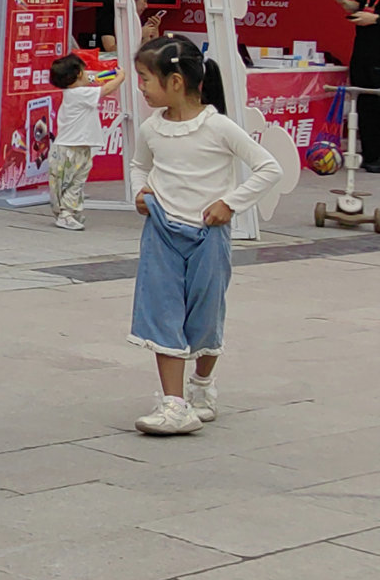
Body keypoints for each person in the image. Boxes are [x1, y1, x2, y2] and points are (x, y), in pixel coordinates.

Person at [128, 35, 282, 435]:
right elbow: (139, 166)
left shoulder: (219, 127)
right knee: (161, 312)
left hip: (208, 236)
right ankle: (173, 404)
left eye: (145, 78)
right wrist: (140, 193)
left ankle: (202, 385)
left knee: (206, 314)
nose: (140, 86)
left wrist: (230, 203)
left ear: (176, 82)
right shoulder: (151, 129)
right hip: (161, 233)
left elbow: (269, 168)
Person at [336, 0, 380, 171]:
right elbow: (360, 5)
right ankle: (371, 154)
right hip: (363, 49)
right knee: (364, 101)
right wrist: (345, 3)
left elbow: (372, 14)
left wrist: (375, 19)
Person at [46, 53, 102, 232]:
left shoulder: (76, 91)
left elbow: (93, 78)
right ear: (78, 74)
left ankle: (69, 212)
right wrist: (121, 77)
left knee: (76, 183)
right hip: (68, 148)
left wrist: (100, 75)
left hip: (80, 146)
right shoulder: (79, 93)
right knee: (67, 183)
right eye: (85, 71)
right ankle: (65, 214)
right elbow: (105, 90)